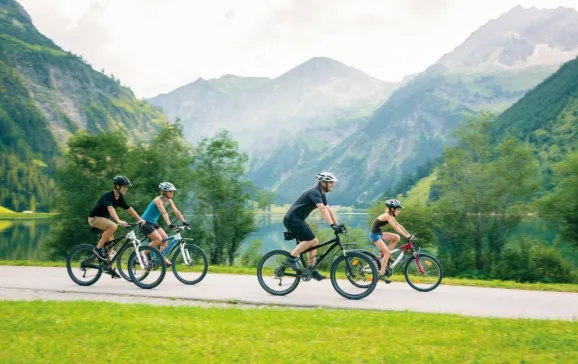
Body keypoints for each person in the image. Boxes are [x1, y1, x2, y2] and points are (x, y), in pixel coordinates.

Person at [283, 171, 344, 281]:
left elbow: (328, 209)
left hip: (298, 219)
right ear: (323, 183)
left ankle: (312, 268)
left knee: (314, 241)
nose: (332, 185)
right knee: (310, 240)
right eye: (330, 182)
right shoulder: (315, 192)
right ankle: (291, 259)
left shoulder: (321, 194)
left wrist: (337, 225)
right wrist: (332, 225)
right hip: (292, 219)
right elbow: (322, 209)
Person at [88, 176, 145, 278]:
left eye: (127, 187)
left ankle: (107, 267)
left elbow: (129, 208)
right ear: (117, 186)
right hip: (94, 219)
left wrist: (139, 219)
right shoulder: (108, 196)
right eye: (124, 186)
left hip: (103, 221)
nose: (126, 188)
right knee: (113, 226)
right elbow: (110, 208)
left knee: (111, 245)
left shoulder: (120, 198)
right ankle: (98, 248)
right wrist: (118, 221)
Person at [139, 182, 189, 266]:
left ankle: (160, 256)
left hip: (153, 223)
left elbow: (177, 212)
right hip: (145, 223)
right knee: (158, 239)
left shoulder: (169, 200)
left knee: (165, 239)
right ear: (164, 192)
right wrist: (169, 224)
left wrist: (184, 221)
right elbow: (164, 212)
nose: (172, 193)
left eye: (173, 191)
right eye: (170, 191)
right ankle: (142, 255)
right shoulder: (158, 200)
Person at [368, 198, 415, 283]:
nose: (399, 211)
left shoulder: (391, 216)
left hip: (379, 234)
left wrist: (408, 235)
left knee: (397, 237)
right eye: (398, 209)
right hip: (374, 235)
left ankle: (387, 256)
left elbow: (399, 226)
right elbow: (395, 227)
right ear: (392, 209)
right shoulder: (387, 216)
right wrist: (406, 236)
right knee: (387, 253)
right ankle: (381, 273)